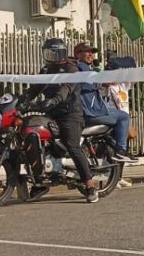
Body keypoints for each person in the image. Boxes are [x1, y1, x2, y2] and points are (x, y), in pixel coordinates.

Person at [20, 38, 100, 203]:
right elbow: (35, 88)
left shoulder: (71, 69)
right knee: (32, 133)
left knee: (72, 145)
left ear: (61, 53)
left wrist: (54, 100)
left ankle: (90, 185)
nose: (50, 56)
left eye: (53, 52)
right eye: (48, 52)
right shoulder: (46, 70)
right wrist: (23, 100)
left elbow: (67, 88)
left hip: (70, 115)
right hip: (51, 113)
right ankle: (40, 181)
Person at [74, 43, 135, 164]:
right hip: (91, 113)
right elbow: (88, 84)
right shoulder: (81, 68)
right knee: (123, 117)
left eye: (92, 52)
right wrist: (101, 81)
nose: (91, 54)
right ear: (78, 54)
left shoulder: (82, 69)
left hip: (91, 111)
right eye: (87, 52)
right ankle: (121, 151)